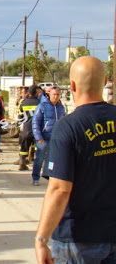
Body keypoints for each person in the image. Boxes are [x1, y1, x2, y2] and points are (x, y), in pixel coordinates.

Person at [35, 56, 116, 263]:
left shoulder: (68, 127)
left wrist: (41, 239)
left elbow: (60, 189)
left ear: (72, 85)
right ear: (105, 80)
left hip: (79, 239)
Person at [32, 86, 65, 186]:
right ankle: (36, 177)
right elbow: (35, 122)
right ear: (49, 94)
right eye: (54, 94)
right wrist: (38, 136)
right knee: (39, 158)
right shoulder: (42, 106)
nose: (56, 96)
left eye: (58, 94)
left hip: (56, 138)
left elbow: (64, 122)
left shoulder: (61, 108)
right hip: (43, 138)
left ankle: (51, 178)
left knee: (53, 159)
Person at [17, 86, 40, 171]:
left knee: (24, 147)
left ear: (29, 93)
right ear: (36, 93)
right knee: (38, 147)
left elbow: (20, 117)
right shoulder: (40, 103)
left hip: (26, 128)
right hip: (37, 129)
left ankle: (22, 163)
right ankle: (37, 165)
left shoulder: (24, 103)